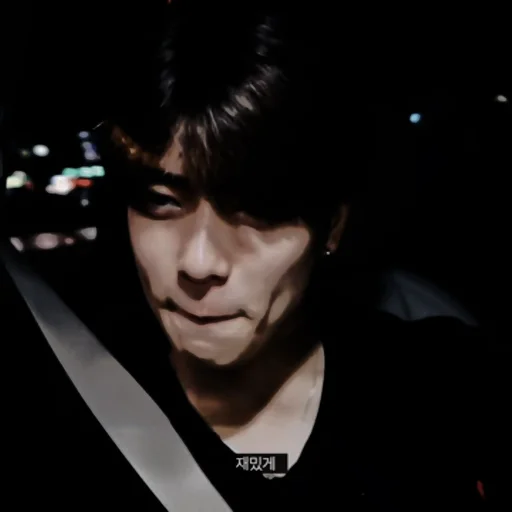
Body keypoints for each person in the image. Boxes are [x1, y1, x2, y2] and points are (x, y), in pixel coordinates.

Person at [2, 3, 510, 511]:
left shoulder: (442, 392)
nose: (199, 262)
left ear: (331, 226)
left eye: (258, 210)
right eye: (161, 201)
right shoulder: (58, 399)